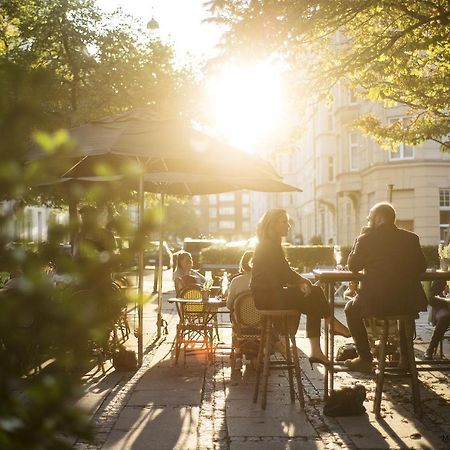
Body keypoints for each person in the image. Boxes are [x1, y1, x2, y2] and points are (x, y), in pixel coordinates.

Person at [344, 202, 427, 372]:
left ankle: (365, 359)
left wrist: (360, 237)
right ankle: (406, 359)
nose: (368, 221)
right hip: (408, 302)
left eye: (370, 218)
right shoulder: (411, 238)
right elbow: (421, 267)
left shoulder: (366, 239)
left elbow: (352, 266)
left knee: (350, 309)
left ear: (379, 218)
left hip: (377, 302)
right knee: (404, 315)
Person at [250, 208, 331, 367]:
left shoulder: (269, 244)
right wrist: (303, 282)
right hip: (268, 298)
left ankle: (318, 346)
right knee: (314, 292)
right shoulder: (269, 246)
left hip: (269, 295)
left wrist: (301, 282)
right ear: (272, 224)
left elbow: (282, 273)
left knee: (314, 296)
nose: (289, 225)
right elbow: (284, 274)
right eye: (284, 221)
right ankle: (328, 325)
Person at [425, 279, 450, 360]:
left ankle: (430, 349)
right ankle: (431, 349)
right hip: (444, 307)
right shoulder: (441, 278)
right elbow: (432, 299)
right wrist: (444, 297)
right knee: (444, 317)